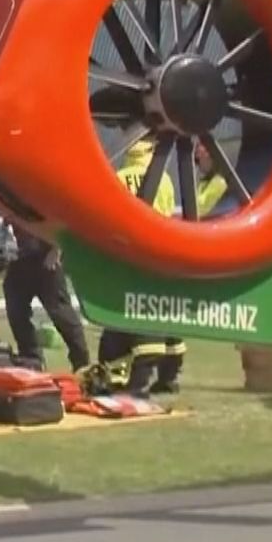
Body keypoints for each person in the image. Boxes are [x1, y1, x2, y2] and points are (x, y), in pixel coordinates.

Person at [99, 139, 179, 394]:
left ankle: (120, 375)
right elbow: (166, 213)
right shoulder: (164, 179)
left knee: (123, 311)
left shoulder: (119, 176)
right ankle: (167, 375)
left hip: (125, 255)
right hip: (159, 253)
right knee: (161, 311)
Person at [1, 222, 90, 370]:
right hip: (20, 258)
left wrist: (57, 249)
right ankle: (31, 358)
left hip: (45, 256)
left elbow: (60, 218)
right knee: (16, 309)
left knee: (61, 313)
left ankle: (81, 362)